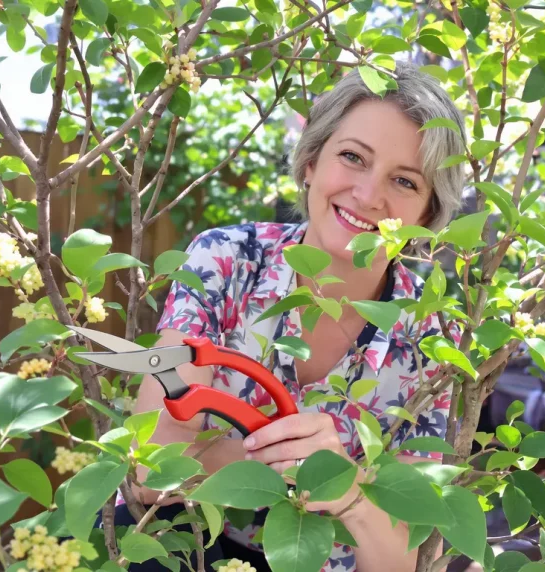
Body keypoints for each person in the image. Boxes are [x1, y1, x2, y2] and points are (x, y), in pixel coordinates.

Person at [116, 60, 468, 572]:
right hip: (194, 540)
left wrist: (345, 487)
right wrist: (295, 467)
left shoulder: (430, 337)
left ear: (427, 216)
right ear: (310, 163)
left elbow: (397, 559)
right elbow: (151, 468)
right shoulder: (225, 261)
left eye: (404, 181)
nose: (369, 195)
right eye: (352, 157)